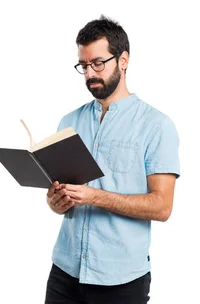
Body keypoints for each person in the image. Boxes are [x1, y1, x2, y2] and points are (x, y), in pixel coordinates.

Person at [44, 15, 179, 304]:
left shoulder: (157, 126)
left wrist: (95, 196)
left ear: (124, 60)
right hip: (65, 270)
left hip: (121, 280)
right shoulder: (69, 122)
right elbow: (61, 197)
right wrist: (55, 201)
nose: (90, 73)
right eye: (83, 65)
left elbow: (162, 206)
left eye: (98, 63)